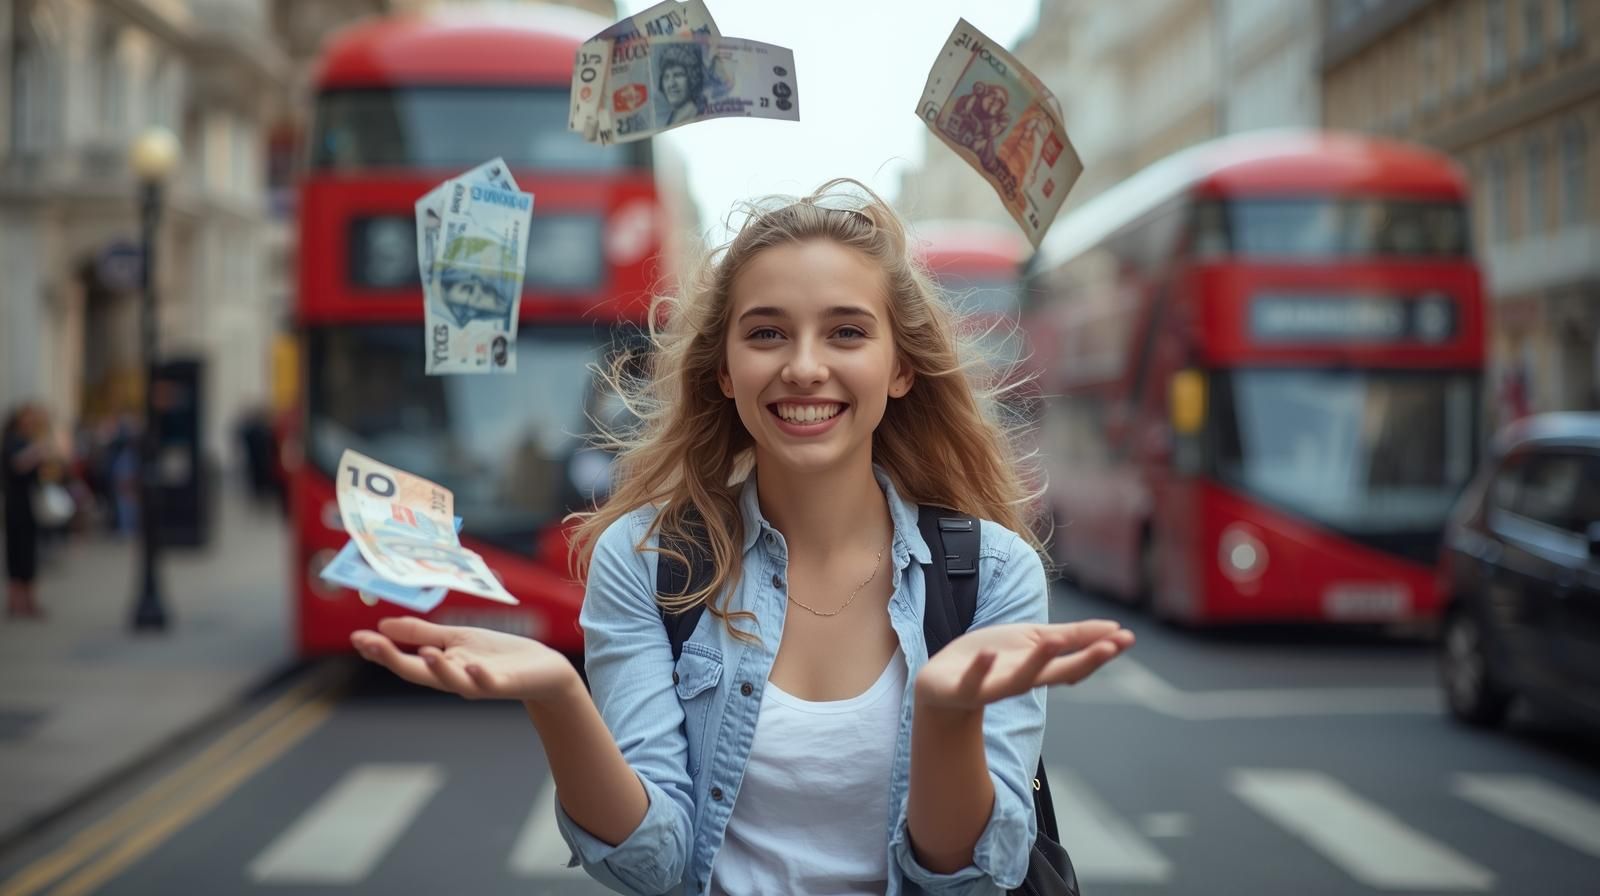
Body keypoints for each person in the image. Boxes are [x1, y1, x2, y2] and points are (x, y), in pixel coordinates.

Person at [352, 180, 1135, 895]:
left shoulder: (992, 570)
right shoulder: (643, 559)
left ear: (900, 368)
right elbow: (652, 863)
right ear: (724, 369)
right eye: (765, 334)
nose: (803, 367)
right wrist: (558, 693)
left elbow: (975, 873)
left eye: (846, 334)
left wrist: (944, 715)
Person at [3, 403, 53, 618]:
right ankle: (16, 601)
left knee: (29, 553)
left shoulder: (28, 440)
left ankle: (28, 600)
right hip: (16, 504)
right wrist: (36, 452)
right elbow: (16, 466)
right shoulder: (12, 442)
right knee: (16, 552)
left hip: (29, 503)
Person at [658, 42, 708, 127]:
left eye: (678, 75)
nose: (671, 84)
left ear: (692, 79)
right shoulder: (675, 116)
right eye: (666, 77)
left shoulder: (698, 115)